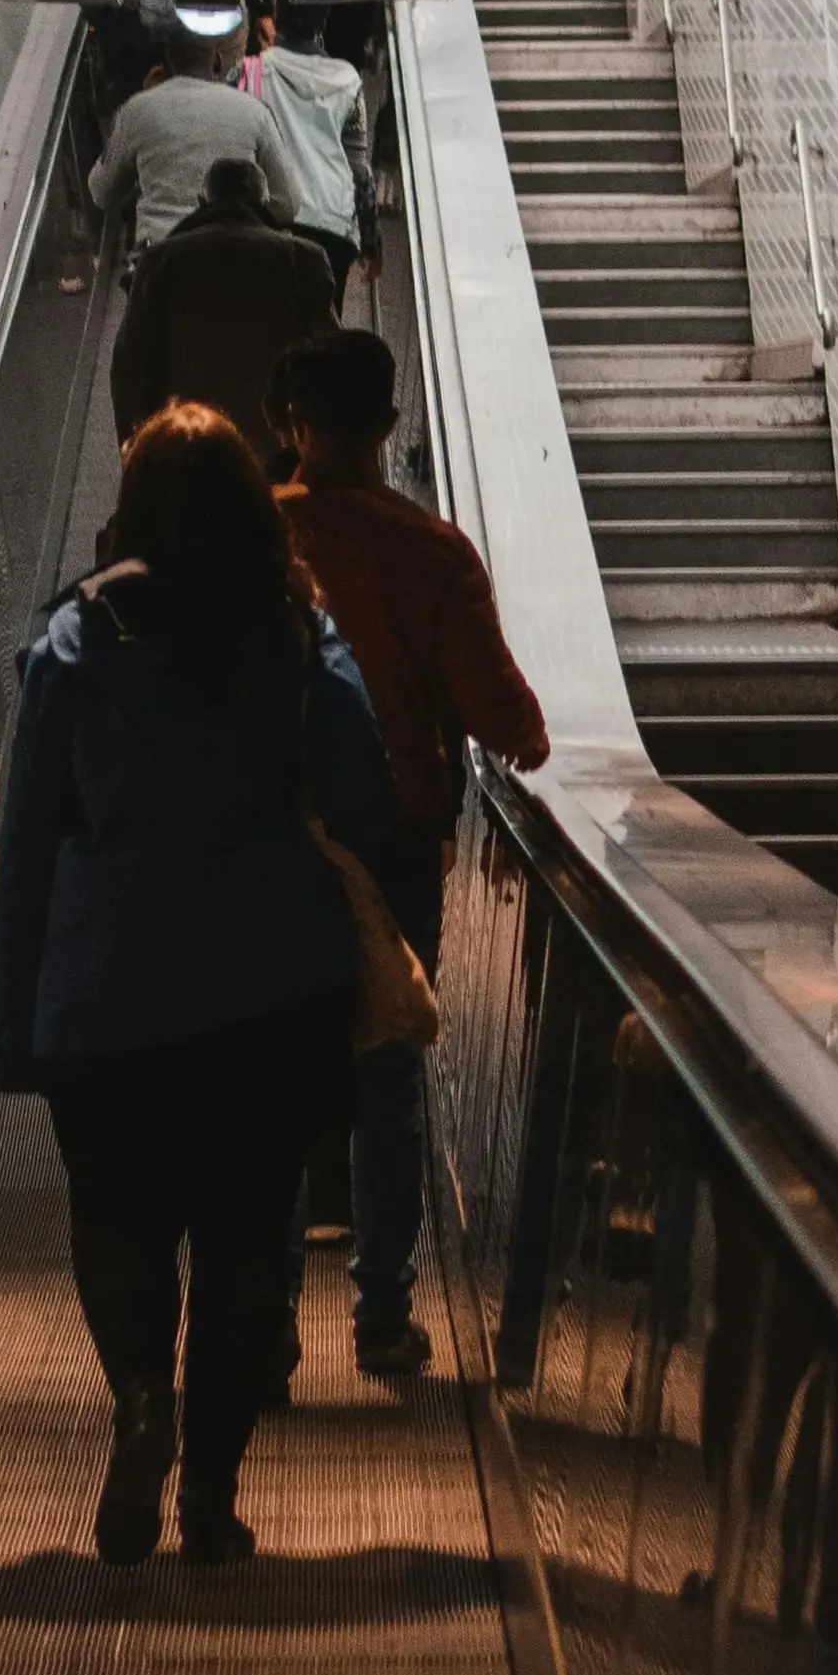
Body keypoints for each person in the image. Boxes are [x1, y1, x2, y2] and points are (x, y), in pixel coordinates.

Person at [0, 406, 399, 1568]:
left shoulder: (77, 639)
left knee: (119, 1218)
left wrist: (25, 1025)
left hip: (110, 989)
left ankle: (137, 1399)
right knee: (242, 1245)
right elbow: (365, 790)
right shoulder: (292, 629)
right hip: (265, 987)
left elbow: (28, 848)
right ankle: (212, 1496)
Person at [274, 327, 552, 1379]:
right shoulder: (432, 553)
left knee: (275, 1074)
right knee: (388, 1075)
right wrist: (519, 738)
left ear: (293, 426)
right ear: (391, 426)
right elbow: (506, 718)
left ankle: (265, 1327)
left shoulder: (258, 539)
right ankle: (382, 1317)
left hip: (275, 837)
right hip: (393, 843)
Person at [106, 150, 337, 464]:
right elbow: (332, 358)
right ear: (264, 202)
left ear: (203, 201)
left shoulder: (159, 261)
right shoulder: (305, 258)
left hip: (188, 443)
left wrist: (134, 450)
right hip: (277, 449)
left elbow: (129, 366)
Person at [89, 36, 262, 269]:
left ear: (165, 63)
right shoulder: (252, 109)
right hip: (235, 257)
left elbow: (101, 192)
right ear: (218, 61)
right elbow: (289, 202)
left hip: (159, 259)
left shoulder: (136, 109)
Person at [231, 7, 367, 291]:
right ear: (322, 25)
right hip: (332, 224)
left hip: (268, 219)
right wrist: (371, 238)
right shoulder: (348, 80)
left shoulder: (248, 71)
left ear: (277, 22)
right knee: (324, 326)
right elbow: (357, 165)